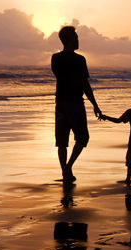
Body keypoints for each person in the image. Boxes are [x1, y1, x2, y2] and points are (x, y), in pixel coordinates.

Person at [51, 26, 101, 183]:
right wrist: (95, 105)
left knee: (62, 141)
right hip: (75, 103)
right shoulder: (79, 59)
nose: (78, 40)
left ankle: (65, 171)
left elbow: (60, 76)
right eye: (76, 37)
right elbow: (85, 84)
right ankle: (68, 168)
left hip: (60, 102)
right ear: (71, 40)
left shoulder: (55, 58)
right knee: (82, 137)